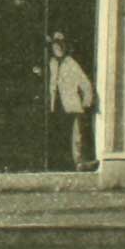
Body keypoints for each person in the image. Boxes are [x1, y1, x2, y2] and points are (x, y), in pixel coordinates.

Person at [47, 31, 97, 172]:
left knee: (76, 136)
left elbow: (85, 83)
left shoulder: (71, 63)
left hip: (71, 105)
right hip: (56, 105)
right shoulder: (51, 63)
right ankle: (60, 163)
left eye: (61, 45)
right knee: (60, 134)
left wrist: (87, 101)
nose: (58, 48)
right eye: (55, 45)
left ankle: (78, 162)